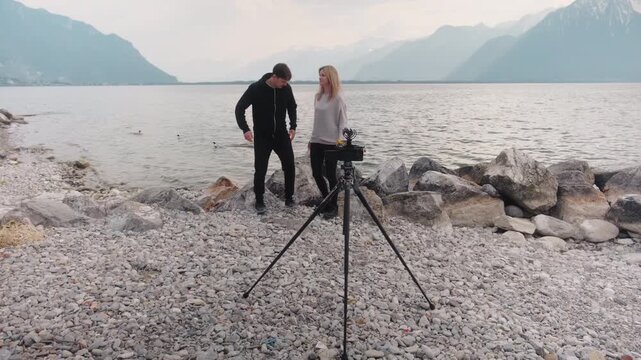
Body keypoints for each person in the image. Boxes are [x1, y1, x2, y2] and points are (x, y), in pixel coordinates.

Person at [235, 63, 297, 214]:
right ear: (274, 77)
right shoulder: (256, 88)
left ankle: (289, 198)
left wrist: (293, 126)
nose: (284, 85)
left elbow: (292, 106)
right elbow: (239, 108)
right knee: (260, 169)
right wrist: (245, 129)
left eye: (286, 82)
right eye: (282, 82)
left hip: (281, 134)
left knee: (289, 165)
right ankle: (259, 201)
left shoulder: (286, 89)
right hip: (263, 136)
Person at [309, 65, 347, 219]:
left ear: (330, 77)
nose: (320, 78)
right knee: (316, 173)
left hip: (332, 143)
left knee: (331, 175)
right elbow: (317, 121)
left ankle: (334, 206)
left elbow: (342, 122)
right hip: (317, 141)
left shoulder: (338, 98)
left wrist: (340, 141)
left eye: (323, 75)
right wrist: (311, 139)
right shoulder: (318, 97)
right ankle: (326, 200)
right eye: (319, 75)